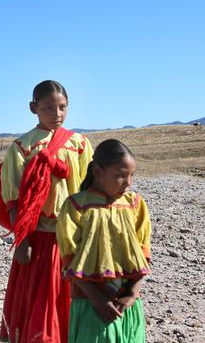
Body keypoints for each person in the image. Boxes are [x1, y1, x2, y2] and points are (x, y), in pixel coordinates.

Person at [0, 80, 93, 343]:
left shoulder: (80, 144)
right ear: (33, 108)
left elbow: (91, 190)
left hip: (73, 237)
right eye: (48, 107)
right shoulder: (23, 147)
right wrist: (22, 240)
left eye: (62, 107)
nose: (57, 114)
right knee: (42, 301)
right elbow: (13, 200)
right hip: (40, 238)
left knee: (71, 297)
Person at [56, 139, 151, 343]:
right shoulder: (76, 206)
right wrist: (97, 300)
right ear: (98, 172)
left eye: (131, 175)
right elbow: (70, 260)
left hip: (128, 304)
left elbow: (143, 254)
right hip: (90, 303)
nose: (128, 182)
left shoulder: (135, 204)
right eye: (120, 175)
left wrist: (132, 293)